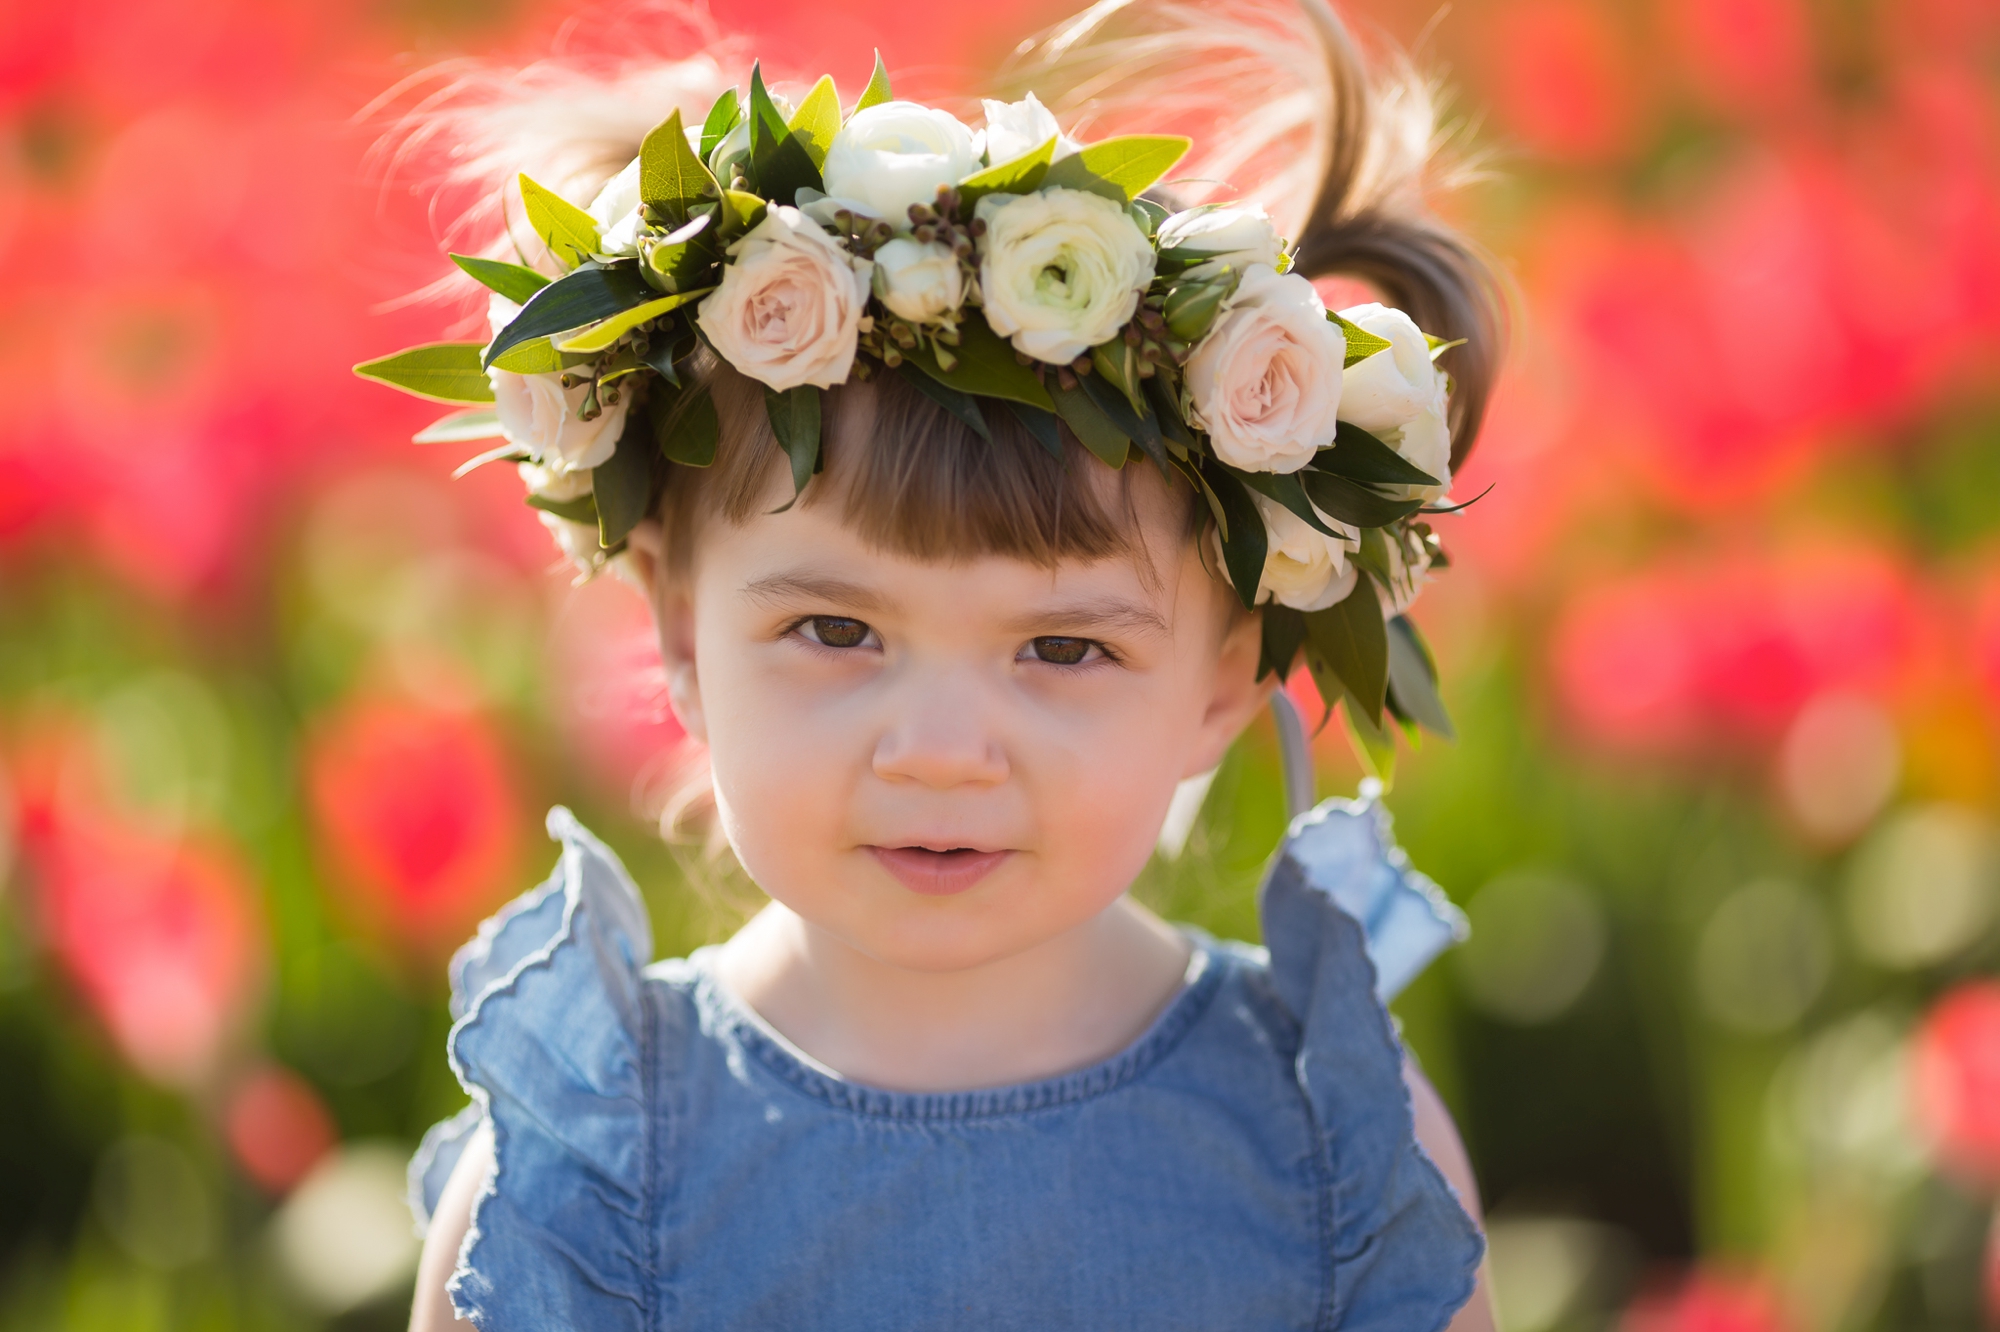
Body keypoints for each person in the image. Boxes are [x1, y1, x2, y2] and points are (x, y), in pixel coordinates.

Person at [370, 0, 1505, 1326]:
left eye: (1063, 647)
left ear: (1224, 679)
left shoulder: (1335, 1155)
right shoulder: (577, 1185)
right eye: (837, 632)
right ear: (680, 631)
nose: (942, 751)